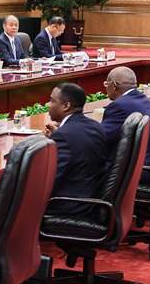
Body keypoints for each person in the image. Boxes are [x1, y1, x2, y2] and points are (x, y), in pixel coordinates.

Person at [42, 83, 106, 215]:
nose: (48, 105)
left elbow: (50, 180)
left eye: (52, 101)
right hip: (94, 198)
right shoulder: (96, 126)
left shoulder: (64, 135)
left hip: (70, 205)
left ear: (66, 106)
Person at [100, 67, 150, 180]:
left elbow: (99, 138)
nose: (106, 88)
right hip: (149, 165)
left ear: (114, 86)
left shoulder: (119, 106)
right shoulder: (143, 99)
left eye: (106, 84)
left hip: (135, 171)